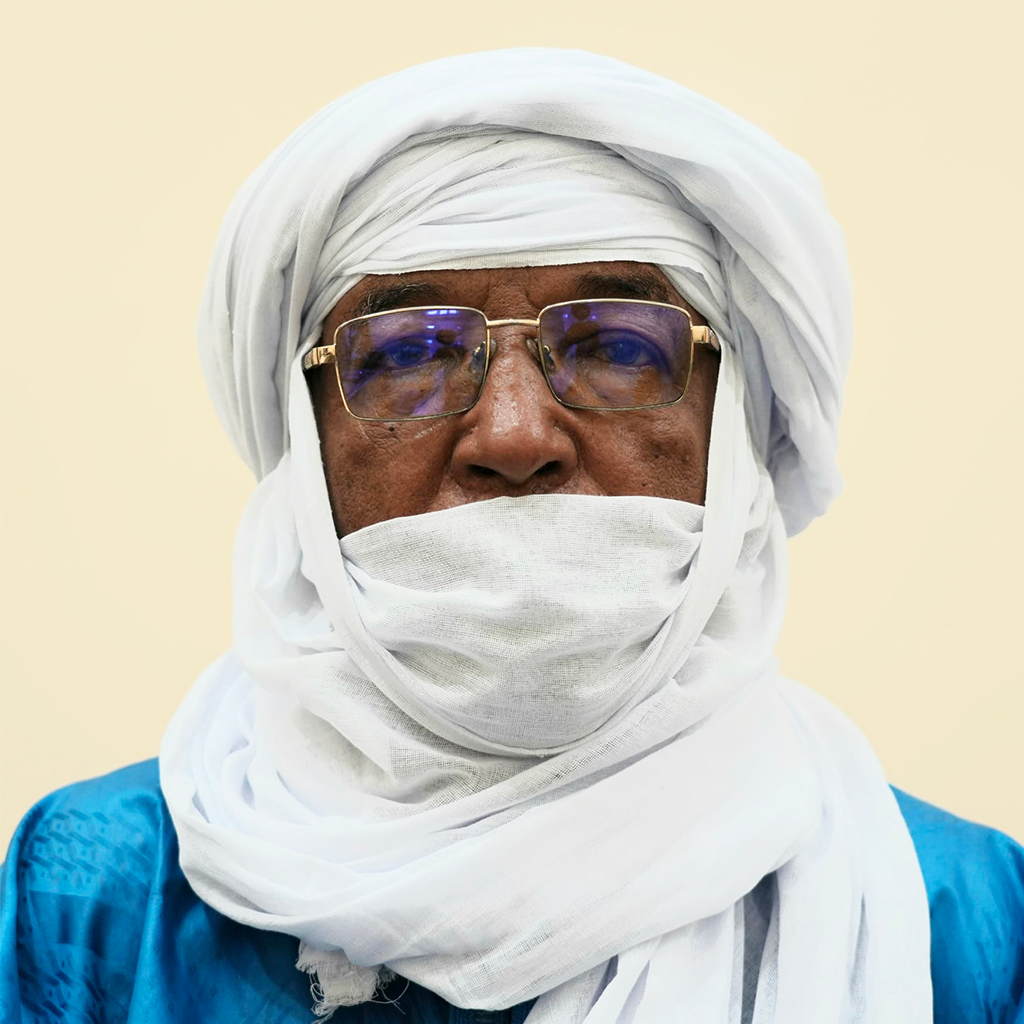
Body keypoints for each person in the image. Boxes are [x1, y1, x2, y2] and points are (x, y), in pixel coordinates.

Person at [1, 47, 1022, 1024]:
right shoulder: (92, 900)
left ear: (734, 432)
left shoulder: (957, 917)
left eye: (618, 345)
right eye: (407, 351)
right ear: (305, 447)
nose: (515, 435)